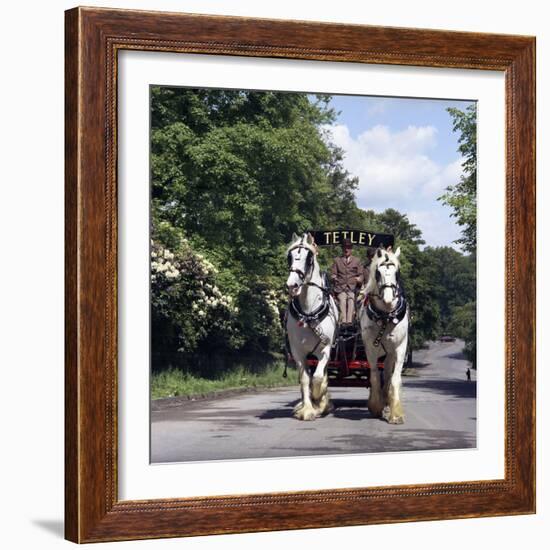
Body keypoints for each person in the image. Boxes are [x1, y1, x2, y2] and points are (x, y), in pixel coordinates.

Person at [331, 238, 364, 326]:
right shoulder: (337, 260)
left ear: (351, 249)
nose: (346, 249)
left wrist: (359, 279)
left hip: (352, 288)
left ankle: (349, 322)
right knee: (342, 300)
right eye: (345, 247)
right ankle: (343, 322)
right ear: (342, 249)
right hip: (340, 288)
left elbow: (361, 275)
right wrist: (334, 277)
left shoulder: (357, 261)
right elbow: (333, 273)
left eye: (348, 247)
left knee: (351, 300)